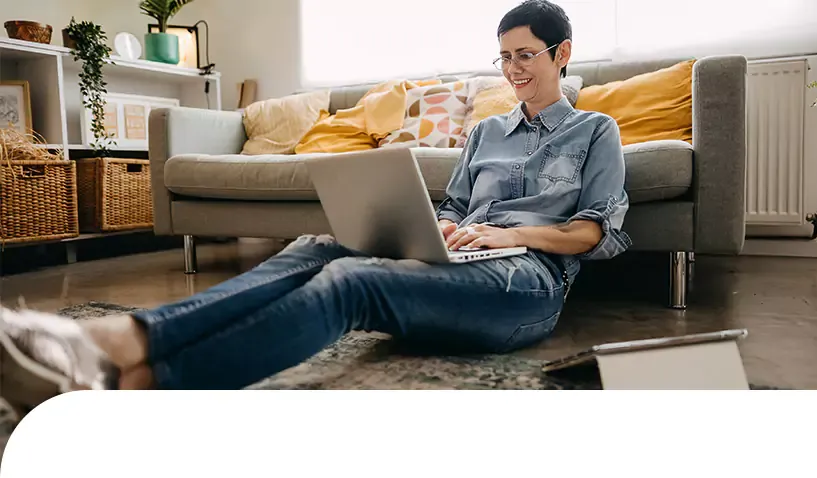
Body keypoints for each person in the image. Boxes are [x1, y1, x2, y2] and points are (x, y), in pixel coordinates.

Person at [0, 0, 630, 403]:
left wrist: (506, 237)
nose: (514, 69)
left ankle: (138, 382)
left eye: (526, 55)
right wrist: (432, 229)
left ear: (562, 53)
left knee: (352, 283)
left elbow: (594, 235)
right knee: (318, 247)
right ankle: (121, 341)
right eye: (505, 57)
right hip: (461, 258)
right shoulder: (488, 132)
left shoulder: (595, 131)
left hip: (527, 283)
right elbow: (456, 204)